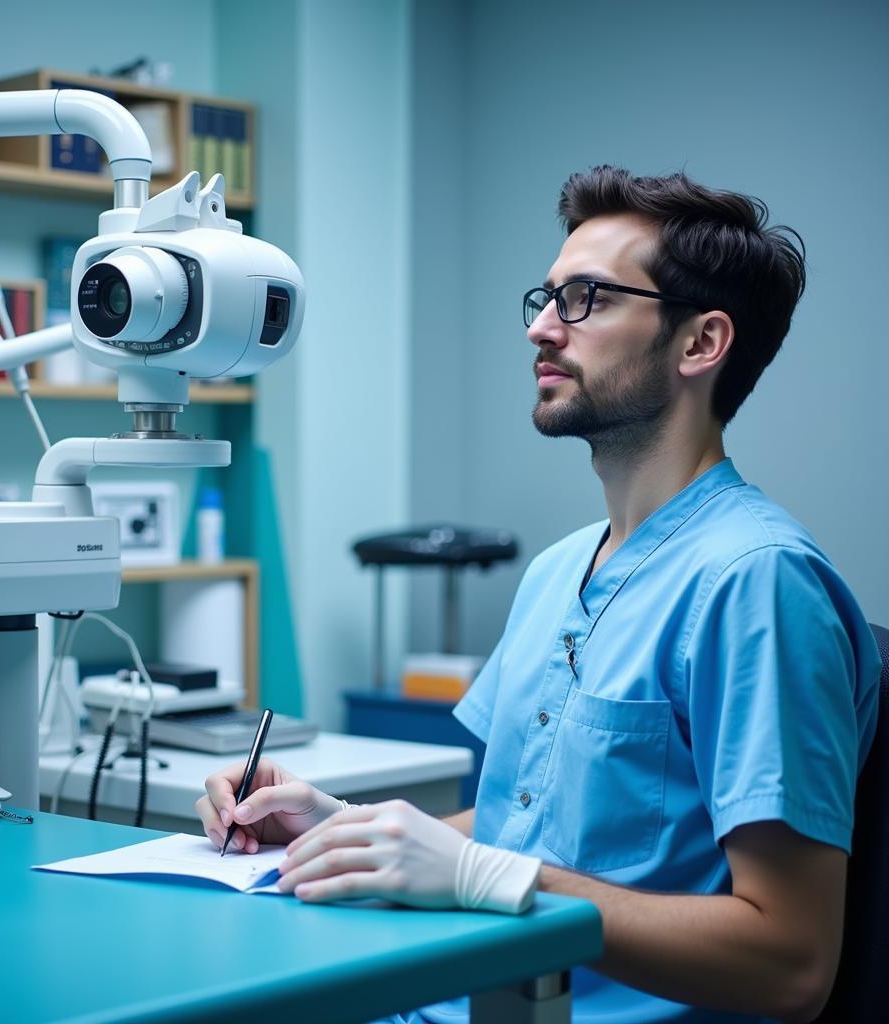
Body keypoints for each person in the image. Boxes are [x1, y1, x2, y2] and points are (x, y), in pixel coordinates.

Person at [195, 166, 882, 1023]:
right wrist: (339, 826)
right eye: (546, 297)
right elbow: (519, 830)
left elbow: (790, 963)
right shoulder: (558, 570)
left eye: (586, 298)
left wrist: (494, 880)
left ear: (700, 343)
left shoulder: (757, 585)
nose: (541, 329)